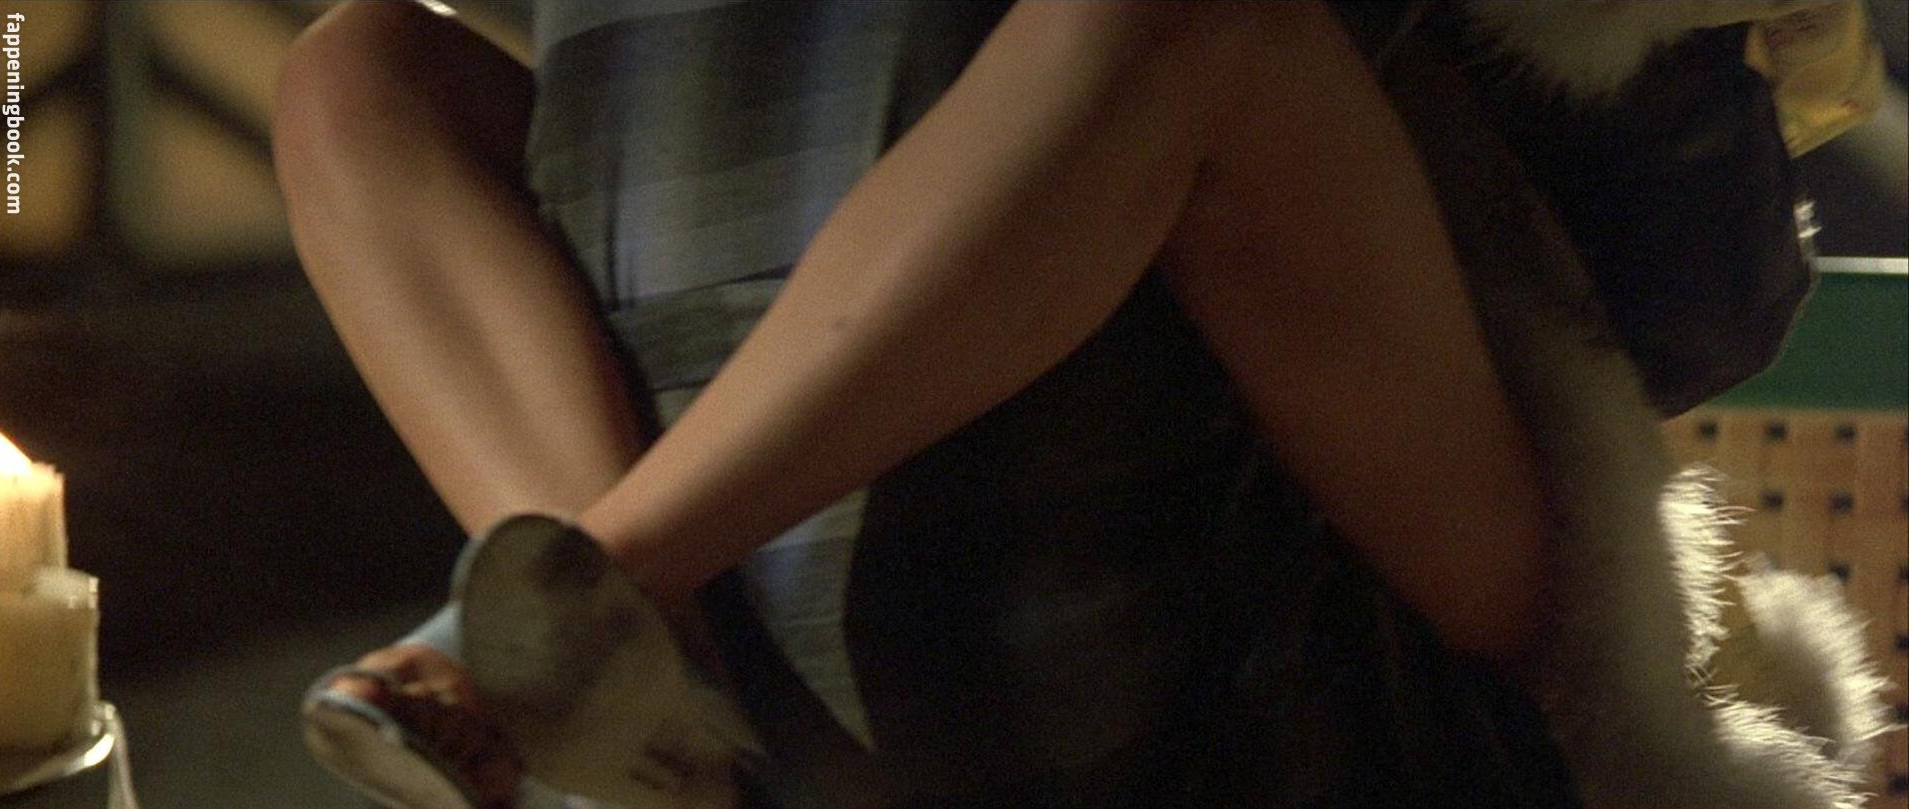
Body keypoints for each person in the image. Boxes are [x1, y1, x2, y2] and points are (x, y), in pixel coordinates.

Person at [273, 1, 1822, 807]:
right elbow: (1699, 308)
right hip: (814, 685)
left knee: (1188, 21)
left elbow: (1693, 306)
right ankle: (632, 671)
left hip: (1405, 595)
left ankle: (594, 595)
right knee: (357, 72)